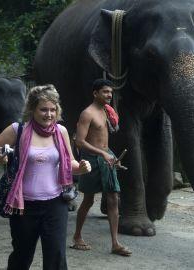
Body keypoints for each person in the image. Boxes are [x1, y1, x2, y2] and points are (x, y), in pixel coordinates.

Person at [0, 85, 91, 270]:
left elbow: (70, 163)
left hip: (56, 204)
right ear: (32, 109)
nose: (49, 114)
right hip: (23, 206)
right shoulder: (18, 130)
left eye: (53, 109)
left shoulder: (61, 132)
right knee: (22, 255)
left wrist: (82, 168)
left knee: (56, 256)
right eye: (43, 109)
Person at [71, 79, 132, 256]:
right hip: (91, 159)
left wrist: (111, 156)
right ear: (95, 93)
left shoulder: (106, 112)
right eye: (105, 92)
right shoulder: (87, 113)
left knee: (113, 198)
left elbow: (103, 141)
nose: (109, 95)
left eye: (110, 92)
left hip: (106, 158)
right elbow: (80, 142)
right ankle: (77, 237)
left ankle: (115, 243)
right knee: (88, 200)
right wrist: (102, 154)